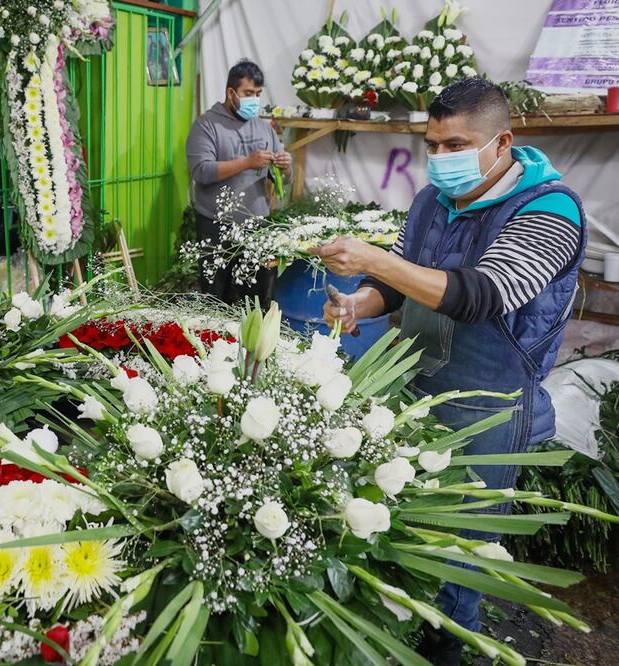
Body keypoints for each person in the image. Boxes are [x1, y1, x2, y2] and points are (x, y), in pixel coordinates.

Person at [312, 78, 586, 665]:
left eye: (455, 145)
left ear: (502, 141)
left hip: (487, 406)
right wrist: (362, 300)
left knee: (461, 549)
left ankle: (455, 645)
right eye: (432, 145)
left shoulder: (550, 210)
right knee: (404, 524)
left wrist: (373, 255)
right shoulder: (432, 201)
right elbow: (402, 278)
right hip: (411, 381)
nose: (439, 160)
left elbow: (484, 294)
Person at [186, 59, 292, 306]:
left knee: (258, 302)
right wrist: (246, 162)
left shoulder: (263, 128)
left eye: (257, 94)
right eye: (248, 93)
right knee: (215, 299)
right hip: (216, 225)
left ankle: (253, 346)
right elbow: (200, 171)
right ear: (230, 93)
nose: (254, 100)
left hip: (256, 226)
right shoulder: (206, 125)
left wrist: (285, 168)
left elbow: (282, 179)